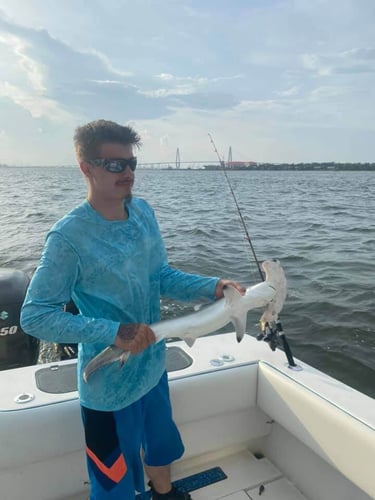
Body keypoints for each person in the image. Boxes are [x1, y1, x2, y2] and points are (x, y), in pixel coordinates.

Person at [20, 119, 244, 500]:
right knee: (113, 484)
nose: (126, 173)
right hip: (106, 387)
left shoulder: (142, 213)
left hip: (153, 367)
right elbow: (35, 315)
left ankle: (166, 493)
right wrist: (115, 332)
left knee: (161, 446)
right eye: (114, 164)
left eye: (131, 164)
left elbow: (161, 274)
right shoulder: (68, 237)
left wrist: (214, 287)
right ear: (85, 167)